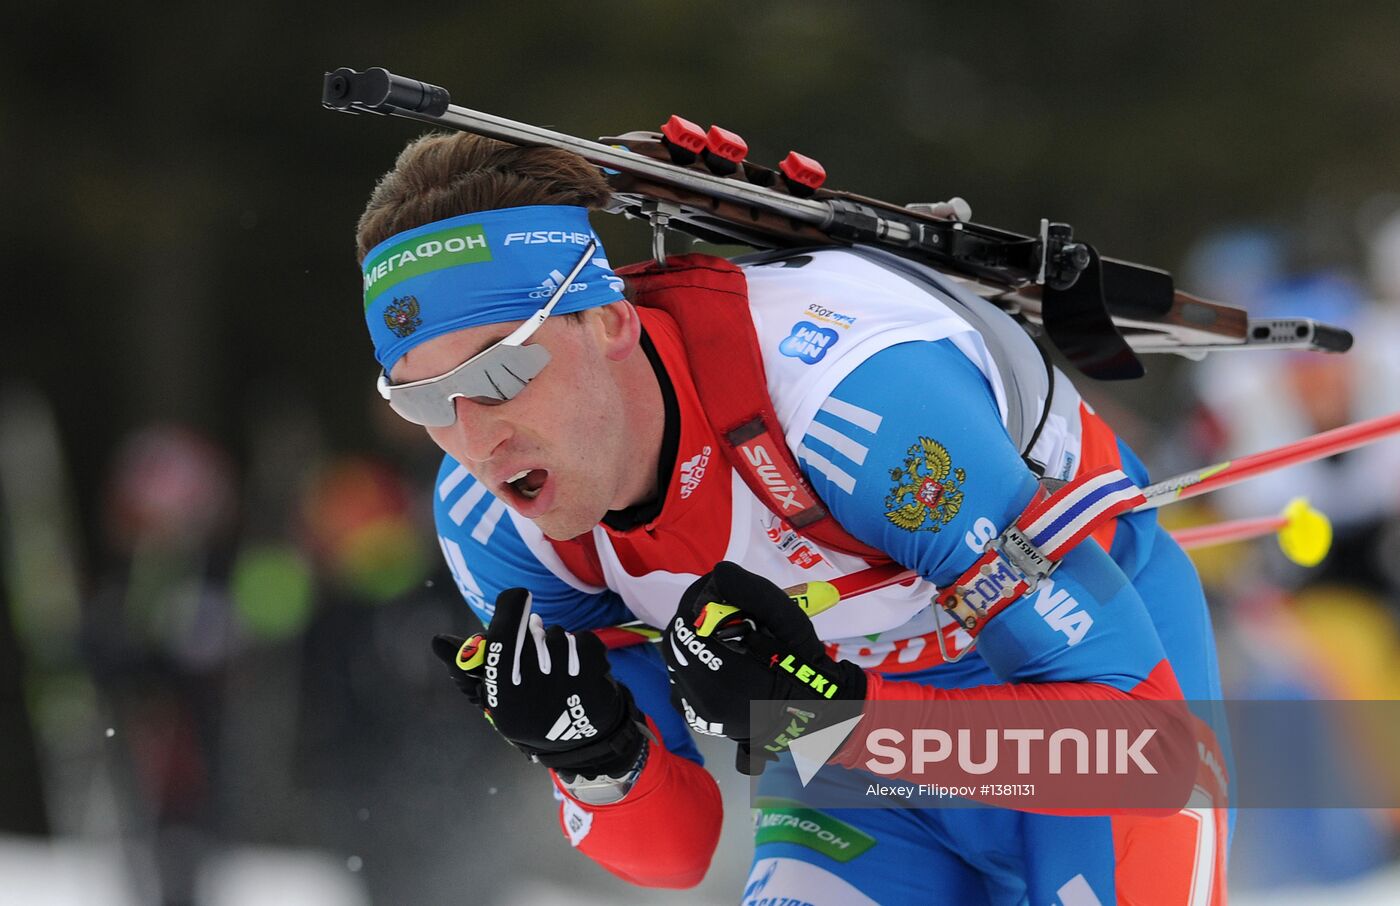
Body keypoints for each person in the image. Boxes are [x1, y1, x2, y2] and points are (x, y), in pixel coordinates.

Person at [352, 131, 1228, 904]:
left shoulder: (854, 406)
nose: (476, 441)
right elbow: (677, 853)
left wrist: (826, 716)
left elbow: (1139, 752)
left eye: (501, 374)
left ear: (610, 321)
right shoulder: (495, 525)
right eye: (423, 401)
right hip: (860, 774)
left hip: (1092, 707)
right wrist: (597, 759)